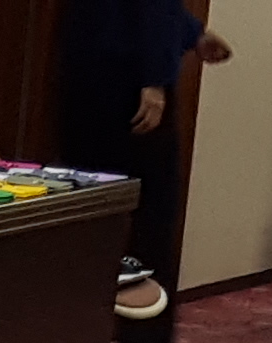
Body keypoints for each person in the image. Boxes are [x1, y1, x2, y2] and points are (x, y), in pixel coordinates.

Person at [55, 0, 233, 282]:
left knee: (90, 203)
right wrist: (155, 77)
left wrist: (191, 32)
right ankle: (138, 305)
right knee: (146, 213)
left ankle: (86, 301)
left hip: (88, 65)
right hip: (129, 82)